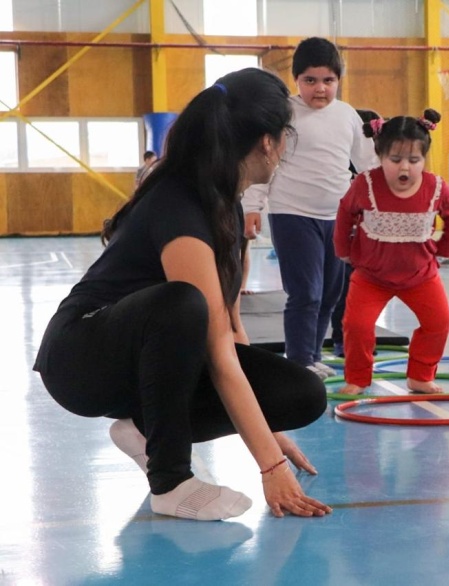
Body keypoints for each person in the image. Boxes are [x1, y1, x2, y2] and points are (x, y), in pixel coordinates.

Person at [33, 68, 333, 521]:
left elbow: (232, 330)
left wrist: (269, 429)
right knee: (182, 303)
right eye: (286, 136)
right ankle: (169, 480)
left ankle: (141, 431)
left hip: (143, 355)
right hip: (81, 357)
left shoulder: (225, 200)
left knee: (301, 393)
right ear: (269, 142)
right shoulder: (180, 204)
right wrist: (269, 466)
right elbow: (212, 345)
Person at [241, 37, 377, 379]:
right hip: (292, 214)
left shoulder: (347, 116)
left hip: (338, 217)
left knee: (331, 291)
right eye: (310, 81)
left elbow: (367, 165)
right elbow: (263, 161)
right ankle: (299, 360)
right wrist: (252, 206)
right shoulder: (284, 114)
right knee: (306, 291)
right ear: (296, 80)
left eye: (328, 81)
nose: (320, 89)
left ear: (339, 80)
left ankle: (313, 354)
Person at [334, 109, 449, 395]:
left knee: (439, 322)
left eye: (414, 160)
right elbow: (344, 213)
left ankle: (420, 375)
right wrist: (343, 249)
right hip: (371, 276)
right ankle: (356, 378)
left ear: (423, 160)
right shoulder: (365, 185)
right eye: (395, 160)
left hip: (420, 275)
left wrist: (444, 249)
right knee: (356, 325)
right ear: (380, 156)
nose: (405, 167)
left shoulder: (436, 188)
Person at [330, 108, 382, 358]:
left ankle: (358, 337)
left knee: (366, 291)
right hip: (347, 237)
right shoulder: (344, 162)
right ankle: (341, 338)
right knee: (344, 288)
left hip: (370, 239)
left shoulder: (378, 161)